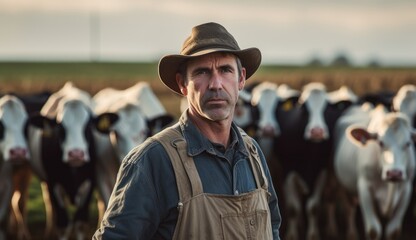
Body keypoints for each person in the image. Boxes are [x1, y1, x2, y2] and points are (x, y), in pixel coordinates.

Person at [93, 22, 281, 239]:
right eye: (202, 72)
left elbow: (272, 226)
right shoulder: (153, 161)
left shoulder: (253, 153)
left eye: (225, 70)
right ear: (183, 84)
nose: (216, 84)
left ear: (241, 79)